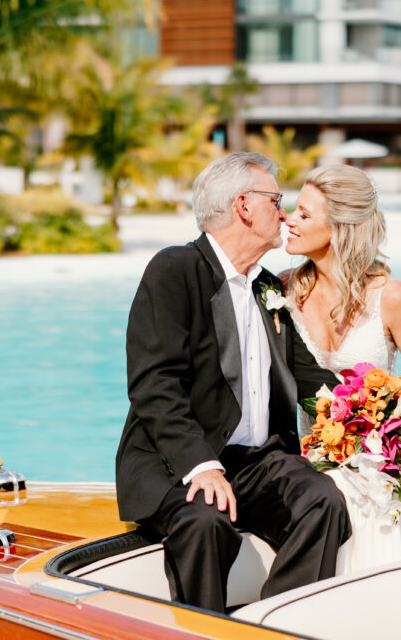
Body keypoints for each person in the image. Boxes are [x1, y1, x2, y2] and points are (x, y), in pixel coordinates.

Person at [115, 152, 349, 613]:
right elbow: (153, 384)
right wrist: (200, 464)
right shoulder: (176, 268)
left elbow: (308, 377)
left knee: (322, 499)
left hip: (257, 463)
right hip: (176, 463)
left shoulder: (267, 287)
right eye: (276, 201)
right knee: (205, 522)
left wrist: (374, 413)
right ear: (244, 205)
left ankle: (273, 624)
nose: (283, 213)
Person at [283, 164, 401, 575]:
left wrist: (398, 448)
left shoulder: (392, 297)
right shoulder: (282, 291)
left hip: (377, 469)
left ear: (338, 229)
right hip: (307, 466)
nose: (289, 220)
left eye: (304, 214)